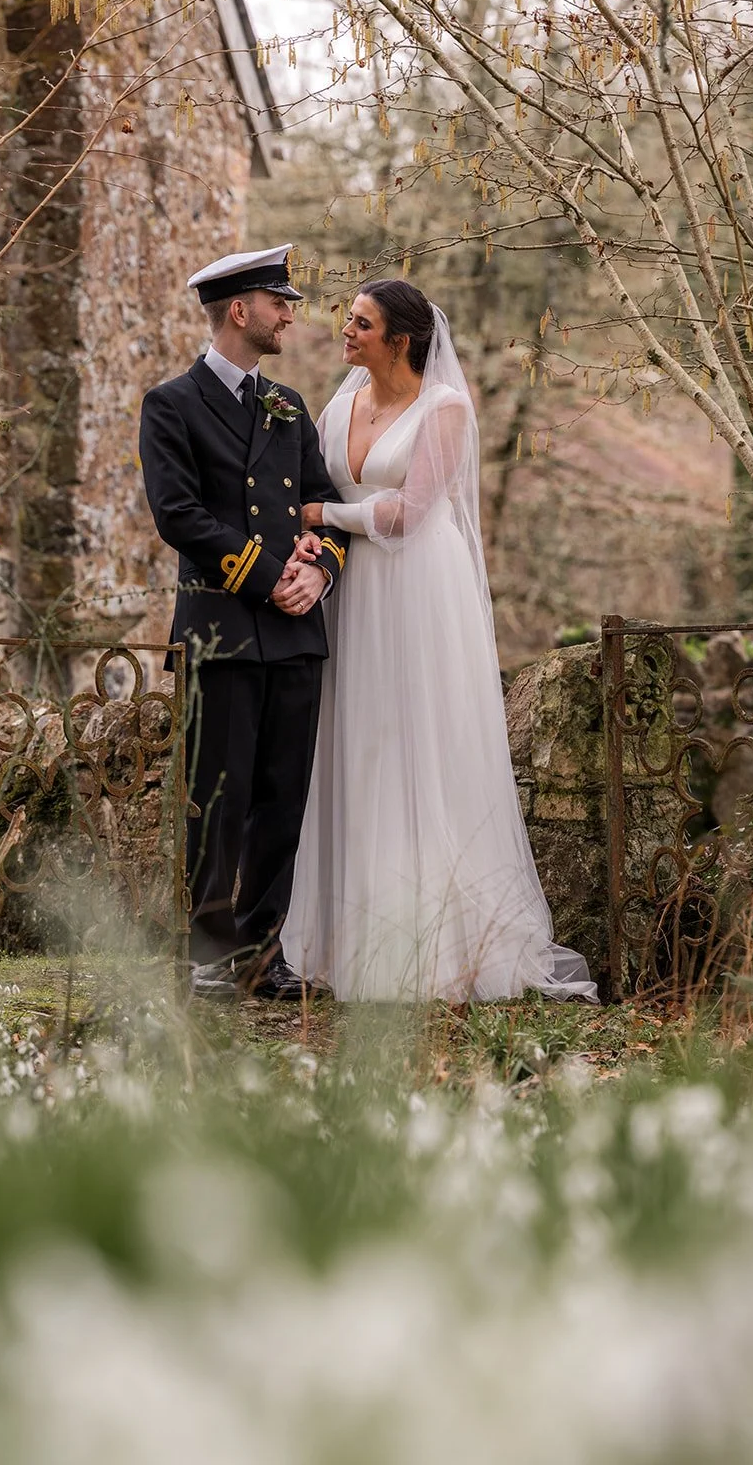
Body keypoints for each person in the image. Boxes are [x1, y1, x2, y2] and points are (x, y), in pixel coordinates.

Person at [279, 279, 597, 1003]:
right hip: (354, 591)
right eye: (348, 320)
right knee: (356, 745)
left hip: (418, 588)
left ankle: (438, 948)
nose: (345, 331)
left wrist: (322, 509)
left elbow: (404, 514)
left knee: (415, 745)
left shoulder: (444, 407)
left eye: (361, 323)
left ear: (401, 340)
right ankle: (345, 936)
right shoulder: (339, 404)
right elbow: (328, 501)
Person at [139, 244, 349, 999]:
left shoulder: (287, 405)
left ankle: (263, 956)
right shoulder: (170, 403)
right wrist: (272, 579)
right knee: (217, 802)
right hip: (222, 629)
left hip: (294, 636)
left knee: (280, 802)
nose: (288, 314)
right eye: (278, 302)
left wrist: (319, 570)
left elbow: (323, 507)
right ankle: (208, 953)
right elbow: (180, 517)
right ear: (239, 310)